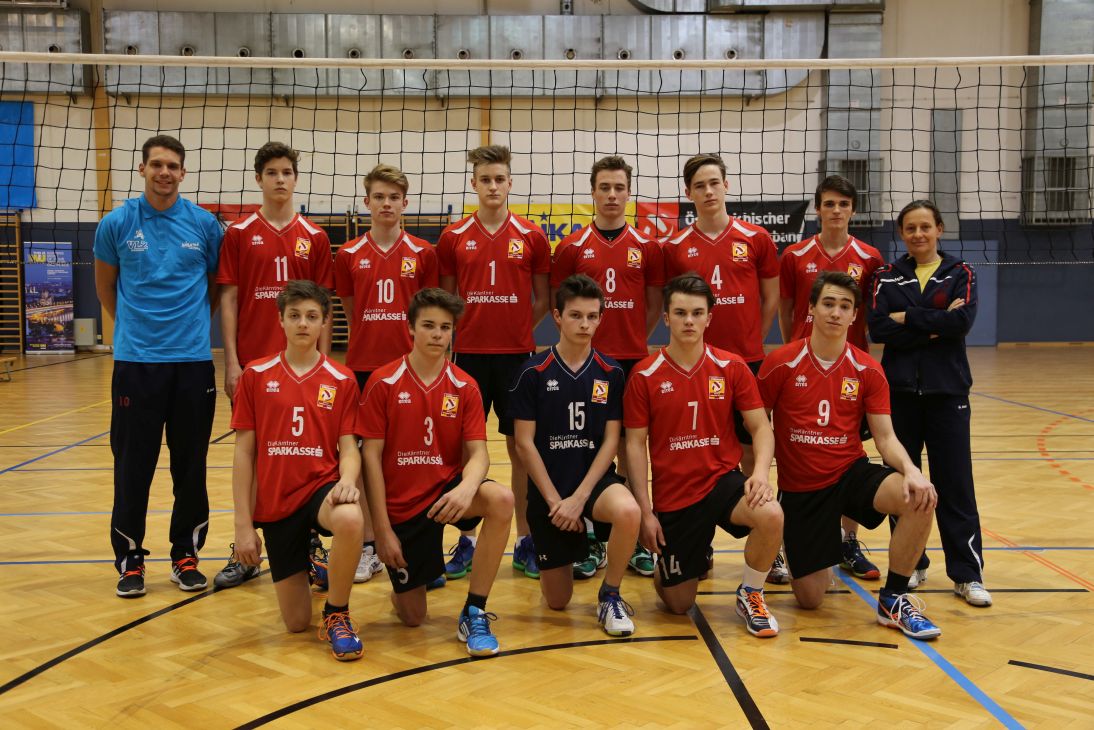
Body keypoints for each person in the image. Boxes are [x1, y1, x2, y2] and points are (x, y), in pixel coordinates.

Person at [757, 271, 943, 640]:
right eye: (828, 303)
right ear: (811, 308)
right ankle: (807, 546)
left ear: (854, 315)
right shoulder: (780, 362)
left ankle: (893, 599)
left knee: (919, 498)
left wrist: (911, 470)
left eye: (845, 306)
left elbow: (885, 437)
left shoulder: (867, 369)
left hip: (849, 474)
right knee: (811, 599)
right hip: (802, 490)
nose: (836, 313)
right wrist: (760, 475)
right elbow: (758, 428)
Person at [94, 134, 223, 598]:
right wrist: (135, 330)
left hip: (192, 364)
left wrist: (186, 328)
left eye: (172, 166)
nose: (164, 172)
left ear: (183, 172)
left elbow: (213, 288)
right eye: (156, 165)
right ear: (143, 169)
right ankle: (130, 559)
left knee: (191, 466)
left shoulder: (205, 225)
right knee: (133, 466)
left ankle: (185, 554)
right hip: (137, 364)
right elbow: (105, 288)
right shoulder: (116, 223)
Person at [624, 274, 784, 638]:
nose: (689, 321)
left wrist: (760, 473)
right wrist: (645, 513)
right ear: (666, 317)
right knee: (678, 603)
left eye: (697, 313)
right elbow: (634, 445)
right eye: (680, 313)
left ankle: (751, 593)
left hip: (721, 481)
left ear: (709, 317)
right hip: (675, 494)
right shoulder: (645, 374)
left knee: (771, 514)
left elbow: (761, 427)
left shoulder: (731, 367)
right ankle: (678, 563)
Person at [358, 288, 515, 657]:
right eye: (428, 325)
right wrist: (380, 532)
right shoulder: (384, 382)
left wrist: (467, 488)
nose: (437, 334)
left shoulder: (464, 385)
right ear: (410, 327)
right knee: (413, 617)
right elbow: (370, 461)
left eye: (445, 327)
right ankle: (414, 580)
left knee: (501, 499)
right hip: (403, 507)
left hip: (447, 494)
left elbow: (479, 454)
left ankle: (474, 610)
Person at [213, 141, 337, 589]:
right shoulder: (239, 233)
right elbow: (229, 299)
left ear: (296, 179)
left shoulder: (315, 236)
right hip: (256, 367)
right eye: (272, 172)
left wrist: (325, 364)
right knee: (252, 456)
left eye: (287, 172)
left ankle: (309, 545)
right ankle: (244, 548)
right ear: (259, 179)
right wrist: (232, 362)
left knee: (308, 456)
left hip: (306, 369)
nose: (280, 179)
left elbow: (325, 306)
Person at [229, 280, 364, 661]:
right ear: (281, 320)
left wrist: (348, 481)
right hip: (276, 501)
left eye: (311, 316)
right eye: (295, 316)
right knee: (296, 622)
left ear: (324, 322)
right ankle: (312, 563)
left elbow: (349, 447)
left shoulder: (341, 379)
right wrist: (243, 527)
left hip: (320, 488)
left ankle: (337, 613)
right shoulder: (256, 375)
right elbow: (244, 454)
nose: (303, 323)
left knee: (351, 517)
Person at [661, 153, 780, 581]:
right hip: (694, 367)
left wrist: (750, 342)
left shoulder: (756, 238)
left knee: (749, 449)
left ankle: (765, 544)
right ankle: (700, 539)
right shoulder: (675, 246)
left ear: (726, 185)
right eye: (700, 185)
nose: (708, 191)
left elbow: (770, 297)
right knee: (699, 449)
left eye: (714, 183)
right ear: (688, 193)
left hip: (745, 362)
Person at [867, 200, 991, 607]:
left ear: (939, 229)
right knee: (903, 484)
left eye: (925, 227)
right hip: (899, 395)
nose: (918, 234)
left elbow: (961, 323)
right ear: (901, 233)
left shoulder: (961, 272)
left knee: (955, 486)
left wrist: (906, 317)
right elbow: (878, 328)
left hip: (947, 394)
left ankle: (967, 574)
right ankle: (911, 565)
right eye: (910, 228)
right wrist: (934, 322)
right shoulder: (886, 275)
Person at [436, 145, 551, 581]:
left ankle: (526, 539)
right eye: (485, 179)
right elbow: (447, 300)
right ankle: (465, 539)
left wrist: (518, 328)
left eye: (499, 179)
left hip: (517, 359)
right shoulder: (453, 237)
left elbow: (543, 299)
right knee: (462, 450)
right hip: (467, 358)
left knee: (522, 450)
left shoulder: (531, 236)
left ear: (510, 183)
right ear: (474, 184)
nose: (493, 186)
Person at [551, 155, 663, 580]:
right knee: (586, 445)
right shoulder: (571, 247)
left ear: (628, 193)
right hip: (584, 363)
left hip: (631, 361)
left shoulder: (647, 247)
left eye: (619, 188)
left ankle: (633, 537)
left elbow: (652, 304)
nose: (612, 195)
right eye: (604, 188)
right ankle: (592, 539)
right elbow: (560, 305)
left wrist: (631, 338)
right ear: (593, 192)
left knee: (632, 447)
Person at [510, 274, 642, 636]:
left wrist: (580, 499)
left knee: (628, 510)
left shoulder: (611, 372)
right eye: (576, 315)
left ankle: (610, 594)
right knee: (558, 600)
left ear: (600, 318)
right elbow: (523, 444)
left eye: (592, 316)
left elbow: (611, 441)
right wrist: (557, 503)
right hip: (549, 491)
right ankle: (578, 547)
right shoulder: (532, 372)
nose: (585, 324)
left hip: (593, 483)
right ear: (557, 317)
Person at [334, 163, 440, 585]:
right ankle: (367, 545)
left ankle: (418, 543)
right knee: (364, 457)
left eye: (394, 197)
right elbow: (349, 309)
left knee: (412, 456)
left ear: (405, 203)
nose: (386, 204)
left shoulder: (423, 253)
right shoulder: (348, 254)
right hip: (363, 368)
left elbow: (430, 314)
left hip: (411, 370)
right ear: (367, 202)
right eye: (378, 197)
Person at [777, 175, 886, 583]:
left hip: (848, 374)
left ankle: (847, 541)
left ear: (853, 209)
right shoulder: (795, 254)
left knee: (850, 452)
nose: (836, 210)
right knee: (794, 452)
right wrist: (793, 350)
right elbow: (787, 307)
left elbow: (869, 314)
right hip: (803, 372)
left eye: (843, 203)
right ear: (818, 209)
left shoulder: (869, 256)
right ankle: (787, 539)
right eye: (829, 203)